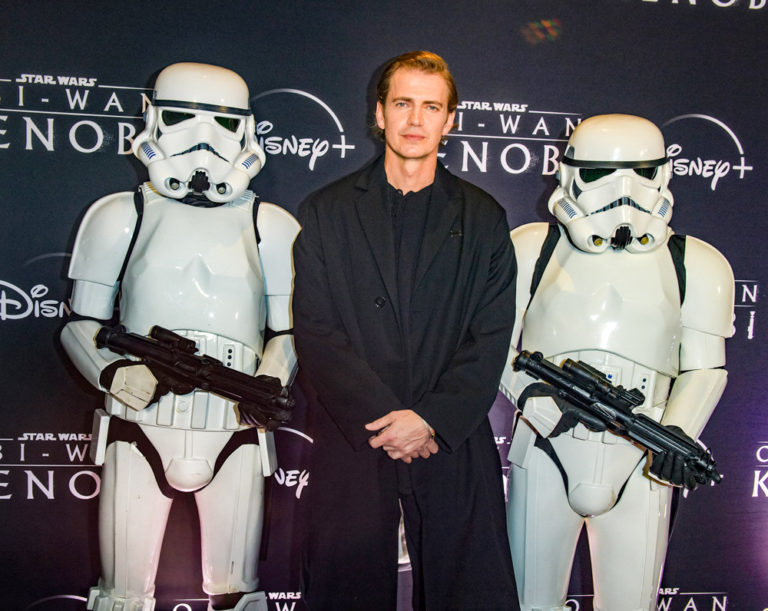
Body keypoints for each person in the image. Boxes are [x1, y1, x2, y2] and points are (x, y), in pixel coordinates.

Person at [60, 62, 300, 611]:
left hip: (235, 427)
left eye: (221, 122)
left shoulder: (272, 225)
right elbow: (81, 325)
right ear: (153, 120)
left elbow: (287, 333)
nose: (203, 140)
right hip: (139, 424)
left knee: (238, 594)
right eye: (181, 118)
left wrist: (264, 384)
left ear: (246, 129)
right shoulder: (122, 216)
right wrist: (115, 372)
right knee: (123, 596)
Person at [293, 50, 519, 610]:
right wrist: (387, 422)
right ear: (379, 113)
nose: (415, 120)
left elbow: (491, 337)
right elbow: (317, 332)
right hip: (357, 437)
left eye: (430, 106)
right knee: (344, 588)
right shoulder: (326, 212)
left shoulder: (484, 217)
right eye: (402, 104)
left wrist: (431, 421)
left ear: (450, 121)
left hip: (450, 438)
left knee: (469, 590)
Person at [500, 114, 734, 610]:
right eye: (598, 174)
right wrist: (537, 403)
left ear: (663, 175)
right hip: (545, 448)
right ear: (567, 173)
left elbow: (705, 367)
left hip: (642, 459)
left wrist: (677, 435)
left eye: (638, 173)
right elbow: (491, 347)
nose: (620, 191)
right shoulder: (531, 248)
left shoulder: (697, 264)